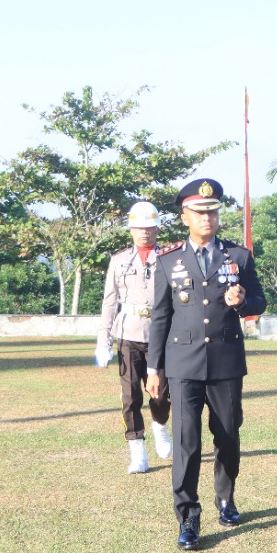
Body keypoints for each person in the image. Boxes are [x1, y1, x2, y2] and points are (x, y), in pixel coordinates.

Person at [145, 178, 266, 552]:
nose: (207, 219)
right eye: (199, 213)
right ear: (185, 217)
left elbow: (259, 301)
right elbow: (160, 317)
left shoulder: (239, 257)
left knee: (228, 436)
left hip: (226, 362)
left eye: (212, 212)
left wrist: (243, 301)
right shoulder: (168, 261)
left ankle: (226, 499)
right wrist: (153, 368)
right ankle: (187, 515)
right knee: (186, 442)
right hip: (183, 363)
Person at [98, 201, 171, 474]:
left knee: (161, 394)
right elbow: (109, 301)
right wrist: (102, 341)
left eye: (149, 227)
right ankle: (137, 450)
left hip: (160, 334)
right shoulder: (118, 261)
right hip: (128, 334)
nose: (144, 233)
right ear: (131, 230)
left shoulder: (167, 257)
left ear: (156, 228)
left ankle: (160, 426)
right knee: (130, 397)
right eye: (139, 228)